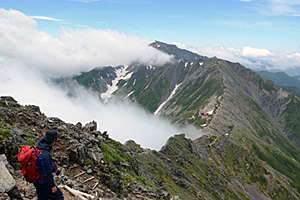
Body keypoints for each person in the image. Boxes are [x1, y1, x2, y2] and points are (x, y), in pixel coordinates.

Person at [34, 130, 64, 200]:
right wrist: (52, 185)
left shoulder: (39, 147)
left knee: (42, 197)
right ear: (53, 140)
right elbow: (47, 173)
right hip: (43, 182)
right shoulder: (45, 154)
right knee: (59, 197)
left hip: (37, 181)